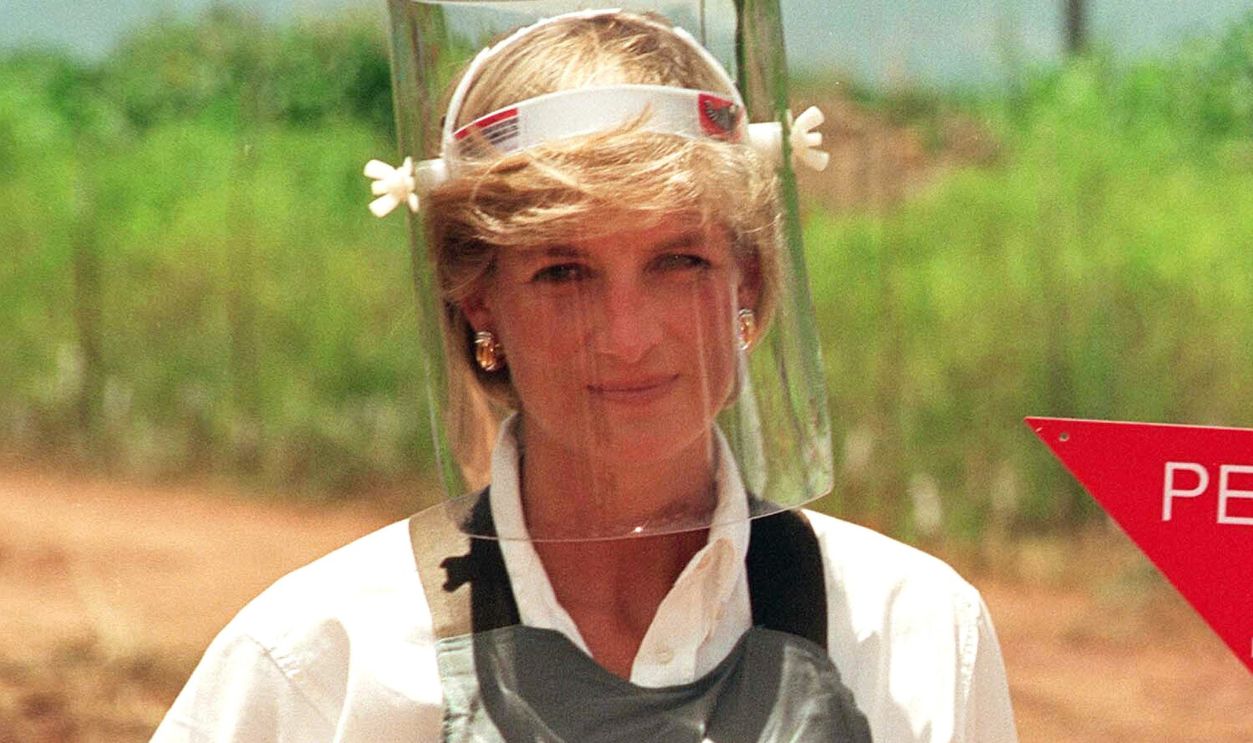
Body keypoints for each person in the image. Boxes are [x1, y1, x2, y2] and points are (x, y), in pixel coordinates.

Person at [152, 9, 1018, 742]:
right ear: (478, 298)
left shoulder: (913, 636)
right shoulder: (325, 663)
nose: (628, 335)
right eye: (562, 273)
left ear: (746, 282)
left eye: (678, 260)